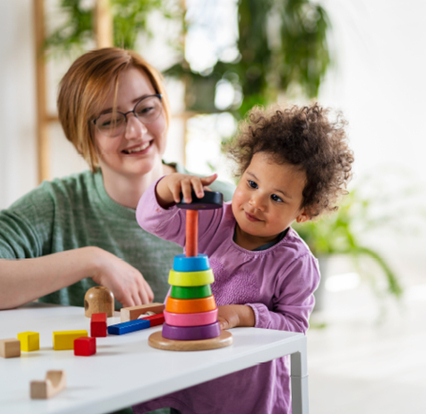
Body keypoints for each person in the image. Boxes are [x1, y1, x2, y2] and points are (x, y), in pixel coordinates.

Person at [134, 103, 354, 414]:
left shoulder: (296, 263)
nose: (255, 202)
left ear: (304, 212)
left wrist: (245, 315)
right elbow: (151, 219)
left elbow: (294, 328)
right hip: (188, 368)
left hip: (246, 388)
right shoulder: (211, 221)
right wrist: (166, 190)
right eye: (251, 184)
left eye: (276, 198)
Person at [0, 47, 234, 312]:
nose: (136, 131)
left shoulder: (223, 202)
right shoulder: (55, 206)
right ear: (81, 137)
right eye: (110, 121)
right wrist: (92, 260)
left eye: (146, 108)